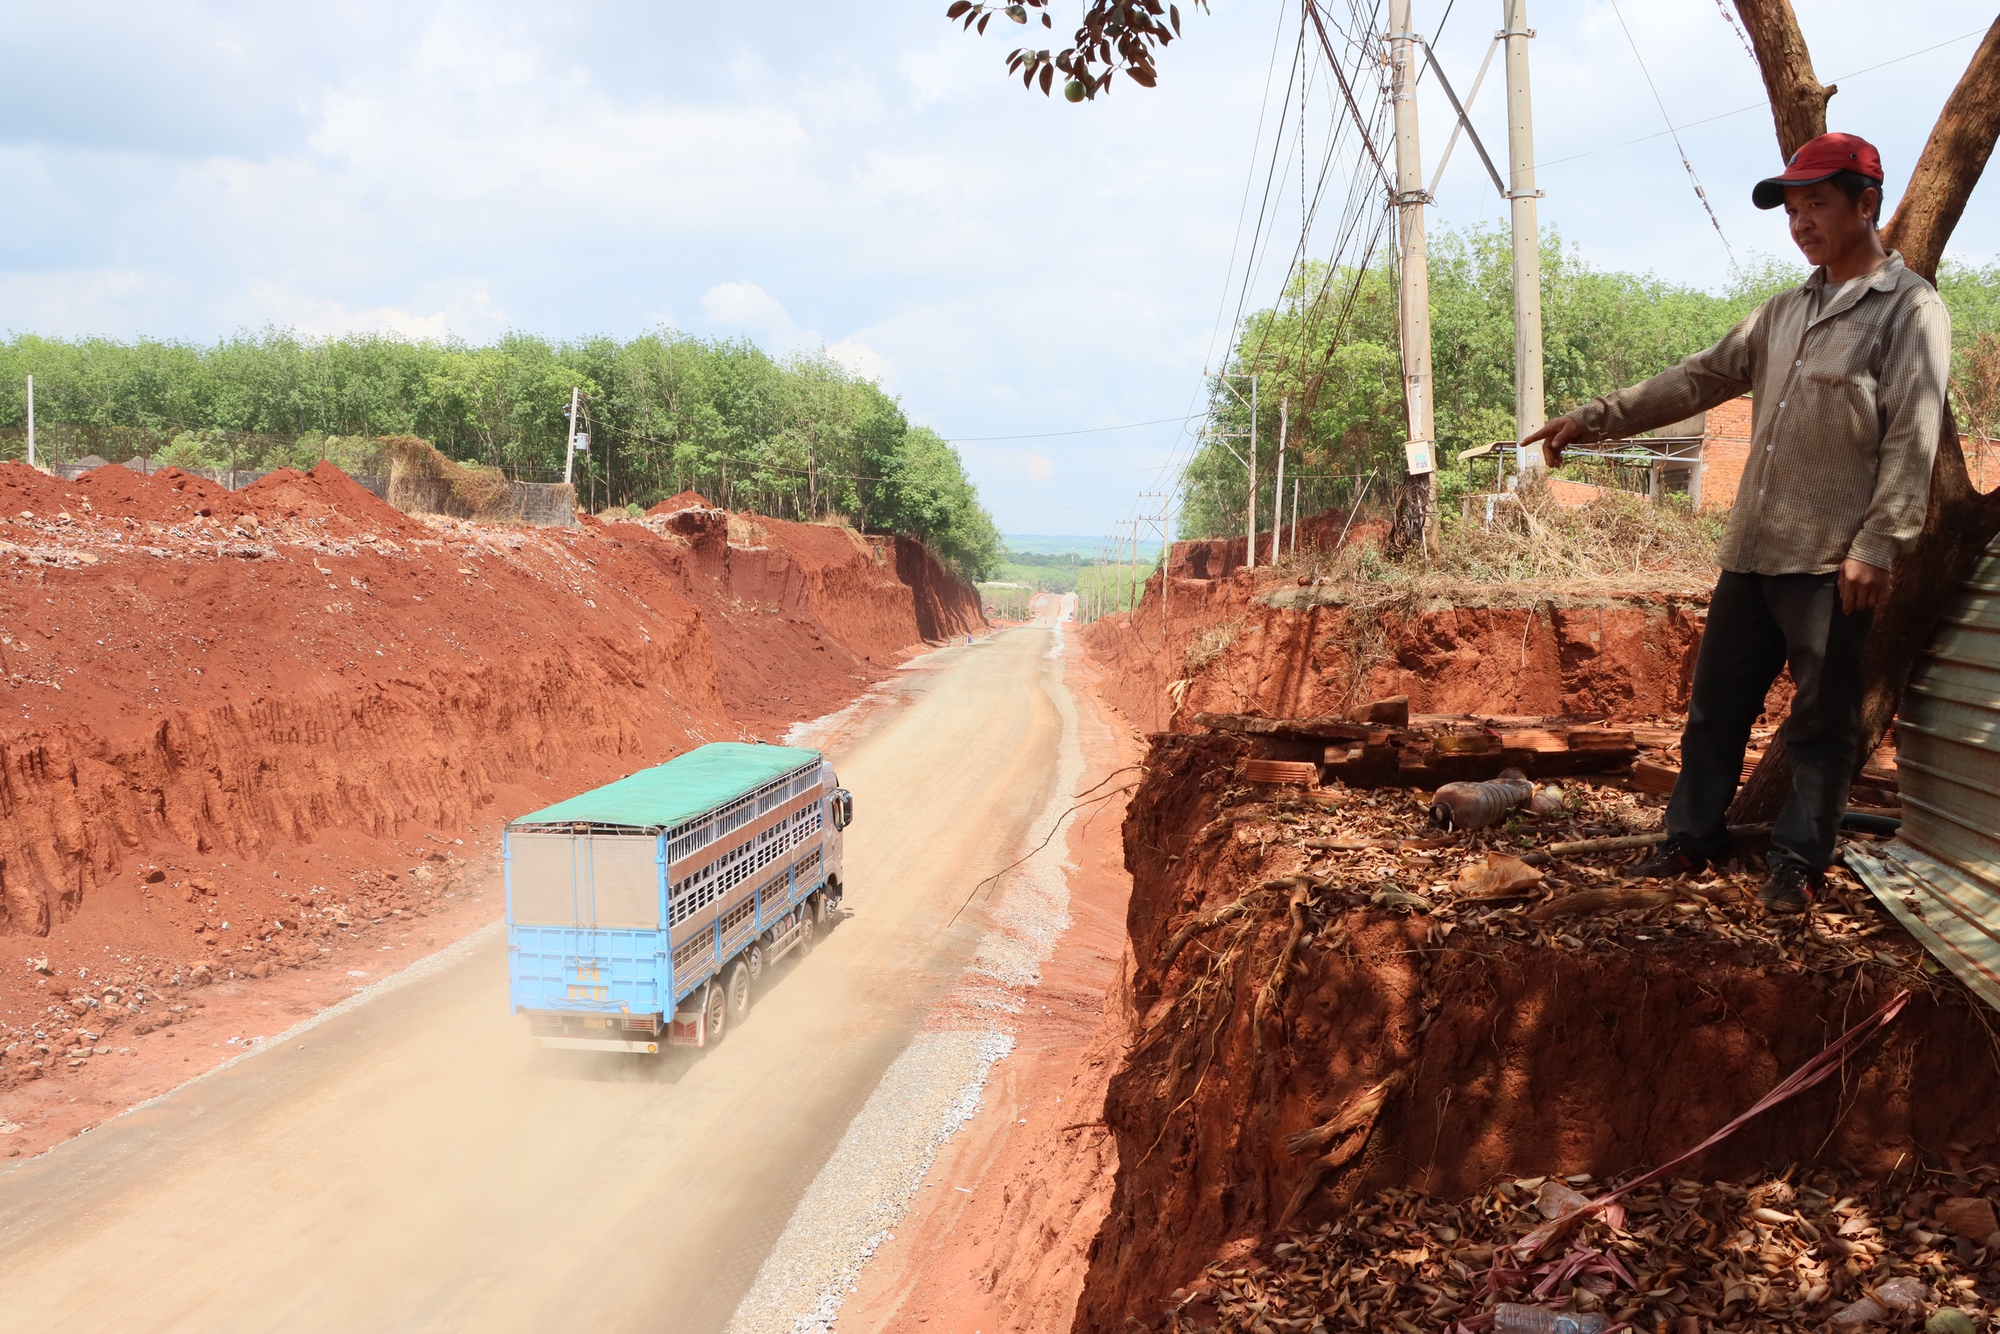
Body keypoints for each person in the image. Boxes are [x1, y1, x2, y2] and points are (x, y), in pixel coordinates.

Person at [1521, 132, 1950, 914]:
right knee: (1715, 708)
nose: (1800, 222)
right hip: (1752, 550)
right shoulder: (1783, 314)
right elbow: (1699, 377)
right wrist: (1595, 418)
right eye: (1792, 209)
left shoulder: (1909, 309)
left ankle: (1796, 860)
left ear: (1866, 203)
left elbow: (1912, 434)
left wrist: (1881, 542)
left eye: (1816, 203)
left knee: (1821, 723)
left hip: (1832, 561)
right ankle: (1690, 837)